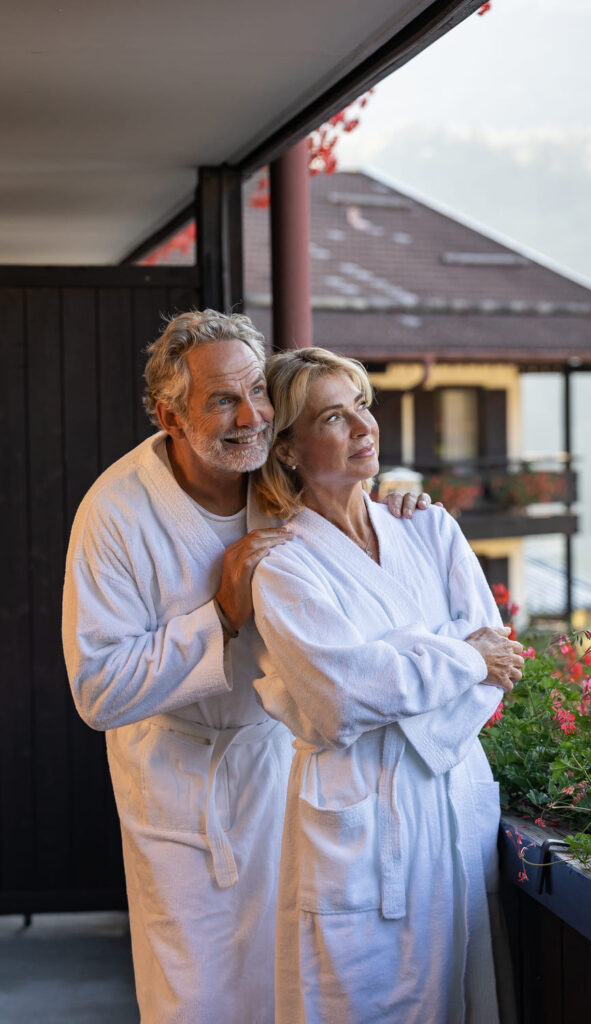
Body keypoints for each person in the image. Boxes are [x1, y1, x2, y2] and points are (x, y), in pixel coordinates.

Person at [61, 310, 433, 1024]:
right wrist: (220, 617)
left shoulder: (274, 472)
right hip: (181, 789)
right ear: (171, 414)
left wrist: (396, 501)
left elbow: (346, 487)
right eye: (222, 400)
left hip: (282, 772)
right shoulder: (117, 513)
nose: (251, 416)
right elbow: (97, 689)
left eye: (257, 391)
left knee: (297, 990)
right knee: (196, 1000)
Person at [250, 347, 524, 1023]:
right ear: (287, 449)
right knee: (356, 1003)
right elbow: (338, 696)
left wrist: (396, 673)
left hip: (448, 800)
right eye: (334, 417)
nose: (363, 428)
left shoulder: (428, 527)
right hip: (358, 824)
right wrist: (457, 659)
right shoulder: (283, 566)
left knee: (464, 997)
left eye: (362, 407)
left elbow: (501, 666)